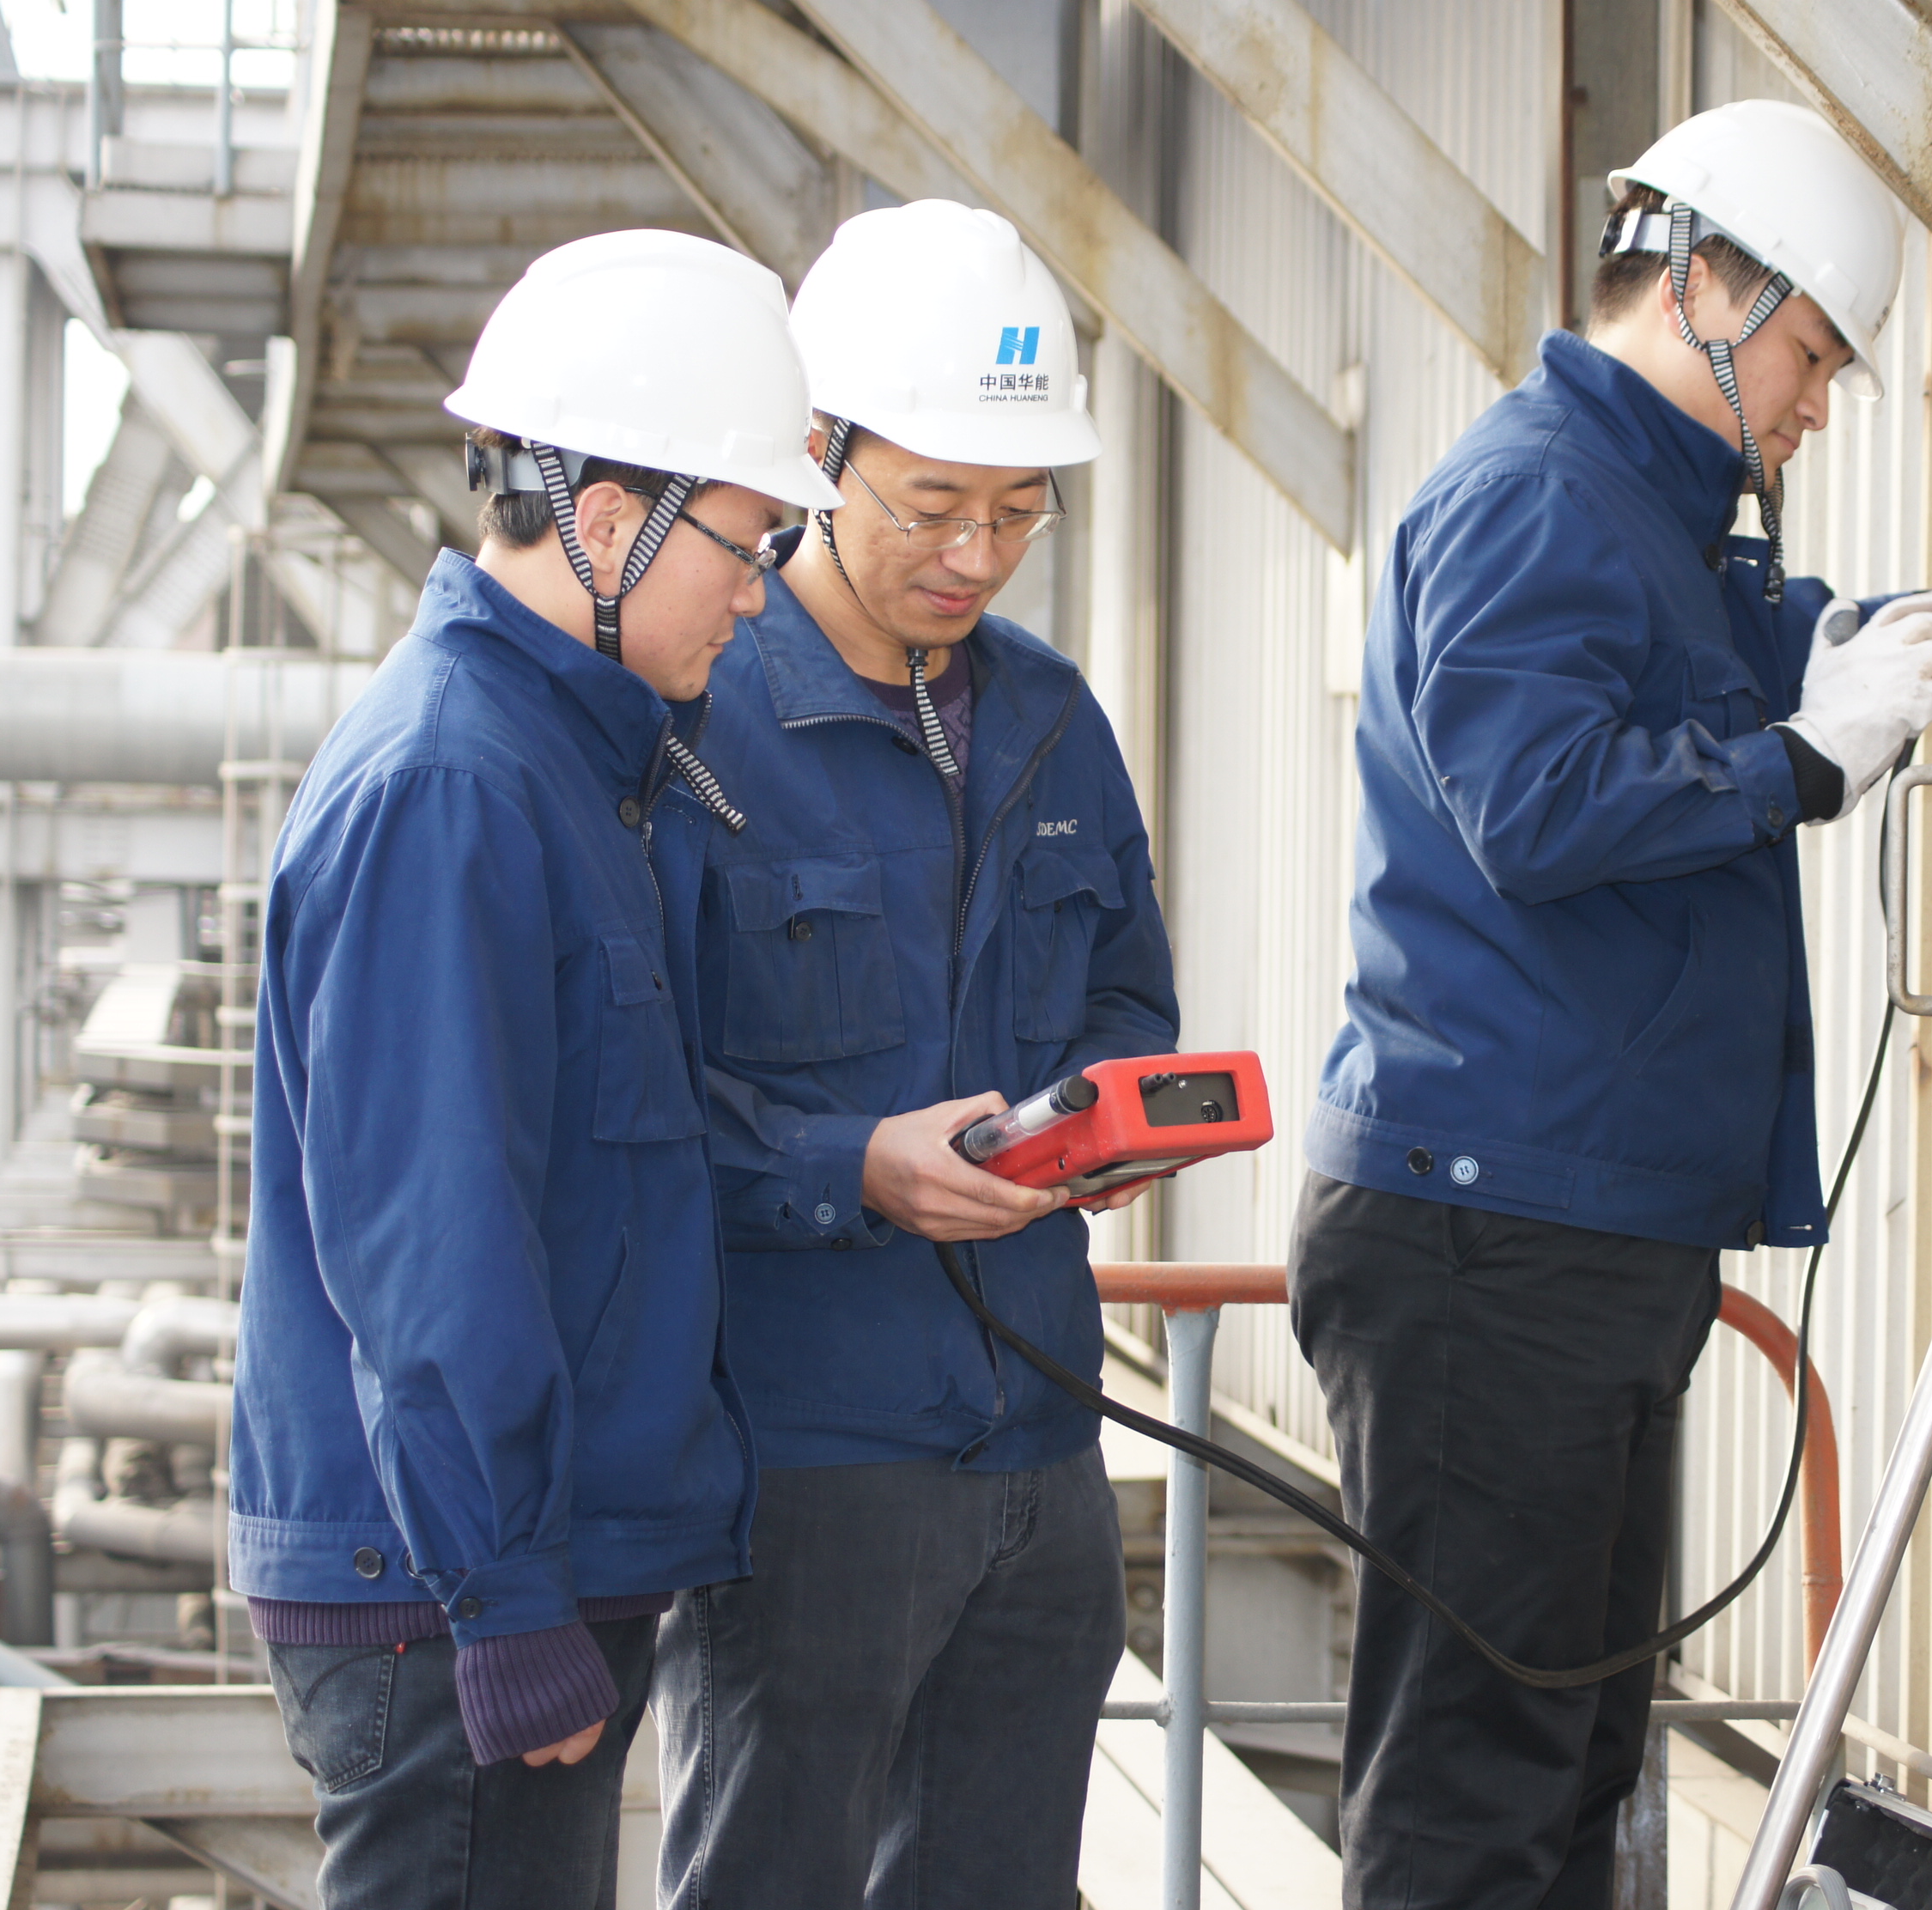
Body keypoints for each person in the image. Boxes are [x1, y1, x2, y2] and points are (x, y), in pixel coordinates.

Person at [1289, 101, 1932, 1908]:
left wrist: (1843, 648)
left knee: (1571, 1766)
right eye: (1812, 355)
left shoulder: (1655, 519)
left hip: (1574, 1230)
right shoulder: (1539, 494)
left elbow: (1710, 677)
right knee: (1477, 1792)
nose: (1819, 405)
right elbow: (1534, 804)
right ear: (1702, 289)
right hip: (1490, 1233)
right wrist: (1804, 756)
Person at [228, 229, 838, 1910]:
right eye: (747, 540)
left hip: (507, 1568)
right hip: (450, 1595)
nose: (760, 589)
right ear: (608, 519)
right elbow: (431, 1246)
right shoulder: (455, 786)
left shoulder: (568, 764)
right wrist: (501, 1600)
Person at [654, 200, 1178, 1910]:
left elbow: (1127, 993)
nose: (975, 553)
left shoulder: (1049, 716)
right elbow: (628, 1092)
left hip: (1041, 1437)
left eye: (1018, 510)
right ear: (817, 453)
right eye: (933, 503)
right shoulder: (699, 720)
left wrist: (1110, 1116)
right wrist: (847, 1167)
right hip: (806, 1450)